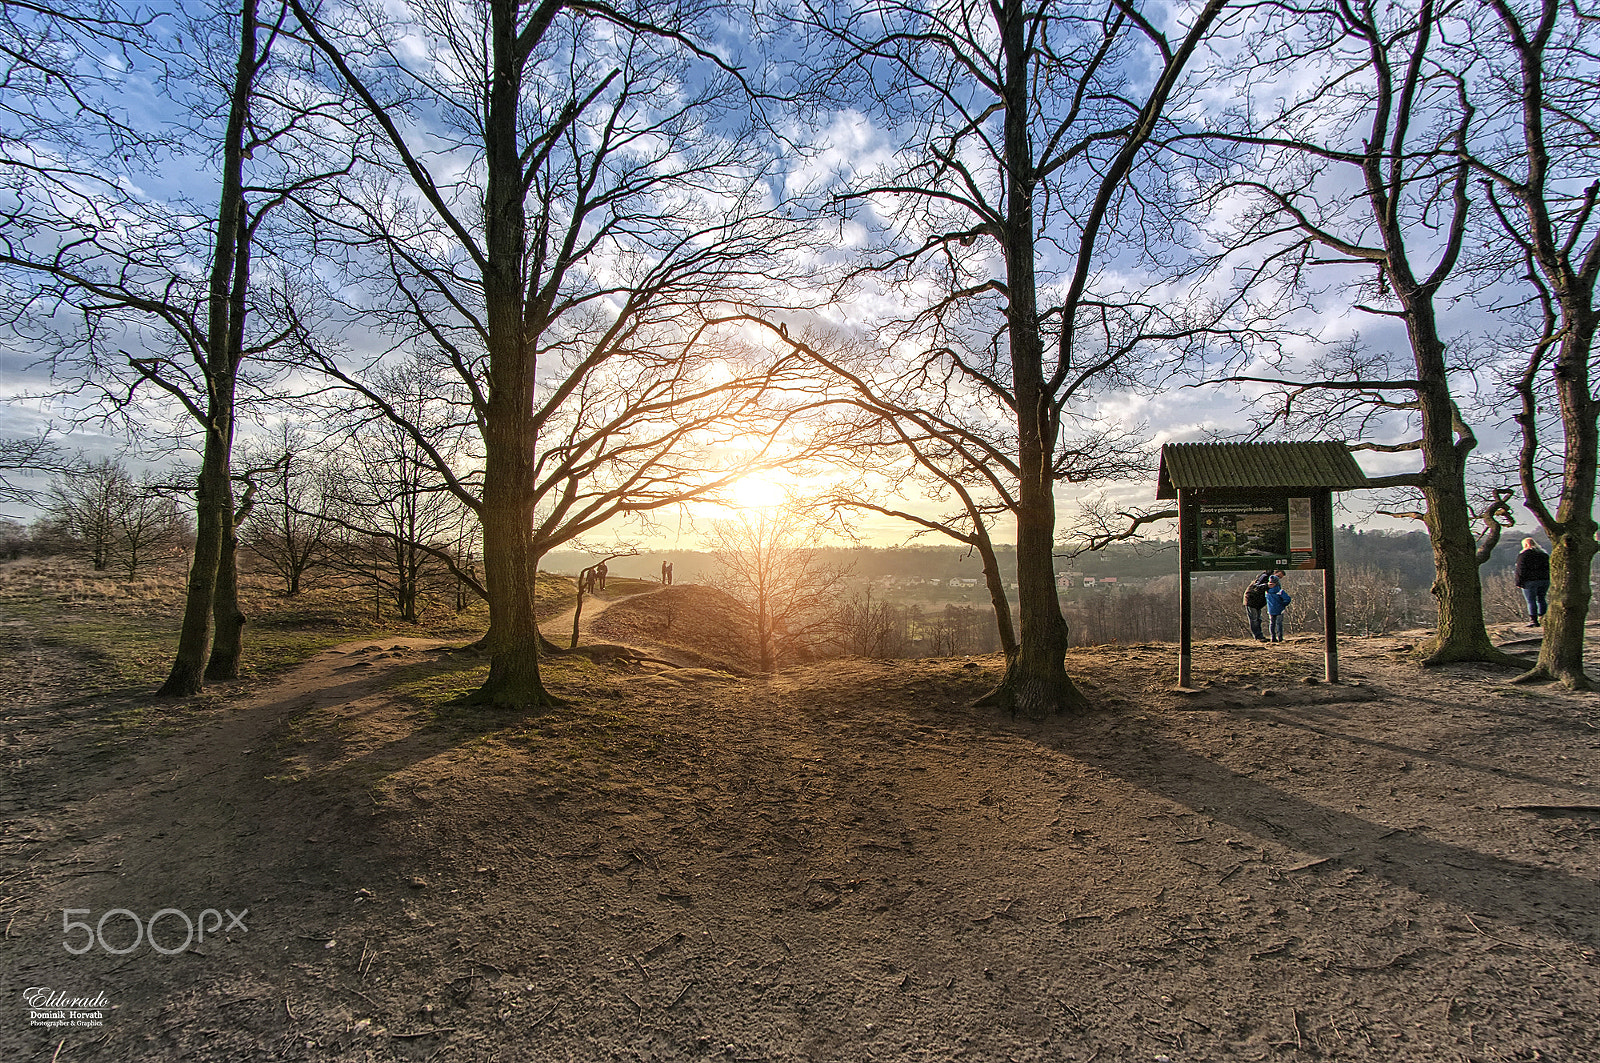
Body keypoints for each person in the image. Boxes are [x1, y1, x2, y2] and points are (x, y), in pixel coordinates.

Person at [1514, 537, 1550, 627]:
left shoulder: (1524, 555)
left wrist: (1519, 582)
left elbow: (1520, 570)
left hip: (1529, 581)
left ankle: (1534, 621)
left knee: (1531, 601)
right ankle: (1544, 618)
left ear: (1525, 545)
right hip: (1544, 580)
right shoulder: (1544, 554)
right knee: (1541, 599)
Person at [1242, 569, 1273, 642]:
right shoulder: (1264, 577)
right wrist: (1267, 586)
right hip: (1252, 601)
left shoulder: (1264, 577)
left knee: (1258, 619)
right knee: (1254, 619)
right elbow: (1256, 587)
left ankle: (1259, 636)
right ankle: (1258, 636)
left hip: (1256, 602)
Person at [1265, 571, 1292, 643]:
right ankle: (1280, 637)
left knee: (1271, 624)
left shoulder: (1267, 592)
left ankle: (1272, 637)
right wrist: (1283, 604)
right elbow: (1288, 599)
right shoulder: (1279, 591)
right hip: (1279, 609)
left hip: (1270, 609)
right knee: (1279, 623)